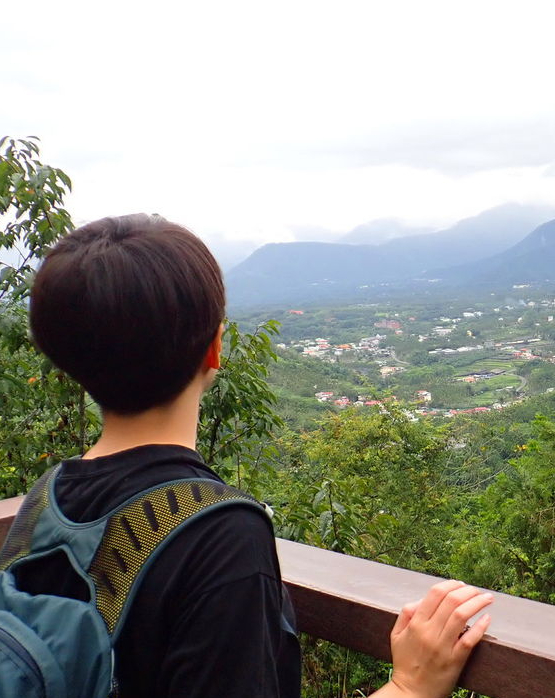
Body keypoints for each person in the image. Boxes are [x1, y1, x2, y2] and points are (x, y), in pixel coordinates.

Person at [25, 213, 492, 698]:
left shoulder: (45, 504)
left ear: (65, 361)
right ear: (214, 348)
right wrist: (412, 686)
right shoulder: (216, 534)